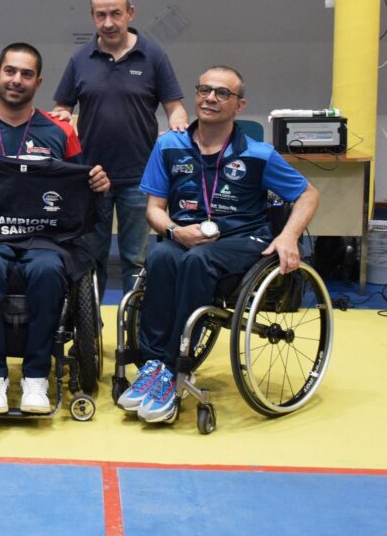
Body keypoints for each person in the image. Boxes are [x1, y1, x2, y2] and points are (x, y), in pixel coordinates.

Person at [117, 65, 318, 424]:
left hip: (244, 238)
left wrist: (288, 235)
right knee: (160, 255)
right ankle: (154, 365)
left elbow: (308, 194)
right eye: (204, 90)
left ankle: (176, 367)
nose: (210, 98)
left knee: (198, 261)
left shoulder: (258, 153)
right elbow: (154, 209)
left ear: (239, 105)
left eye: (222, 93)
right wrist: (176, 231)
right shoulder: (169, 145)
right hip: (186, 235)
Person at [0, 43, 110, 413]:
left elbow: (80, 185)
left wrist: (98, 182)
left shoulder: (60, 132)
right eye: (11, 71)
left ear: (38, 82)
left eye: (26, 74)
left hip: (44, 237)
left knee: (47, 271)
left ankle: (36, 378)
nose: (17, 80)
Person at [52, 0, 189, 298]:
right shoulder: (80, 59)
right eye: (100, 15)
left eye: (115, 13)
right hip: (91, 177)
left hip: (140, 178)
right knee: (91, 259)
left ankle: (133, 324)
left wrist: (178, 125)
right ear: (92, 16)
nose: (108, 23)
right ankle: (91, 325)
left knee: (134, 260)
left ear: (130, 13)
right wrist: (60, 118)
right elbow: (62, 107)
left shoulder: (153, 55)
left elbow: (175, 107)